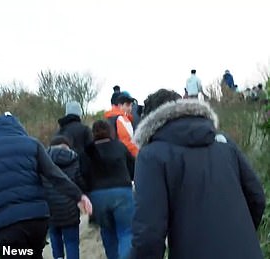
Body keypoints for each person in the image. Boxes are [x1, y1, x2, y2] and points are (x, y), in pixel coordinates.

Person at [130, 90, 265, 259]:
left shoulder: (151, 156)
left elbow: (148, 235)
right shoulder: (224, 143)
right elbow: (257, 197)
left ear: (149, 121)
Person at [0, 112, 92, 259]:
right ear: (18, 127)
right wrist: (78, 195)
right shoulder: (32, 144)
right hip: (36, 220)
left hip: (4, 224)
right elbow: (54, 174)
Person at [81, 120, 135, 259]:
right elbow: (133, 167)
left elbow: (82, 174)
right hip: (122, 192)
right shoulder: (119, 146)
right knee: (126, 232)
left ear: (93, 133)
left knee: (107, 233)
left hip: (98, 195)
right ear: (111, 131)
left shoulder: (88, 151)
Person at [43, 135, 86, 259]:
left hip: (51, 210)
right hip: (70, 210)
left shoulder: (42, 160)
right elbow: (80, 182)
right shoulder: (73, 159)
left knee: (56, 244)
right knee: (71, 243)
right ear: (67, 146)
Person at [104, 91, 139, 157]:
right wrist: (138, 154)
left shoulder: (109, 118)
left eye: (131, 105)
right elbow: (126, 142)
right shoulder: (121, 119)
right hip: (125, 158)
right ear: (120, 105)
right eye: (127, 105)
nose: (130, 108)